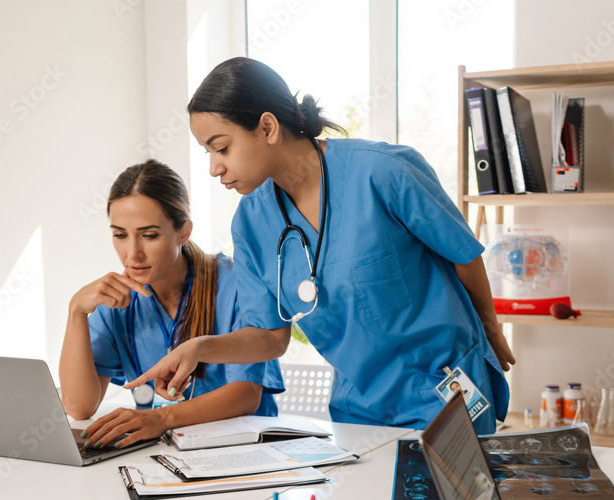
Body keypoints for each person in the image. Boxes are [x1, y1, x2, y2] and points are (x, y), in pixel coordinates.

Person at [128, 57, 514, 434]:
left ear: (267, 127)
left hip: (445, 392)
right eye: (208, 153)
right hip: (358, 407)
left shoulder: (383, 172)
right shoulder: (251, 222)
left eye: (222, 148)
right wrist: (198, 348)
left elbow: (463, 255)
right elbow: (270, 337)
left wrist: (491, 329)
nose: (214, 167)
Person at [59, 158, 283, 500]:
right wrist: (76, 311)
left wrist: (157, 419)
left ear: (183, 231)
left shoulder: (234, 282)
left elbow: (246, 395)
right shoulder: (117, 301)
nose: (132, 253)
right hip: (160, 467)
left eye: (149, 235)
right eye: (120, 236)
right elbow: (78, 403)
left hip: (240, 468)